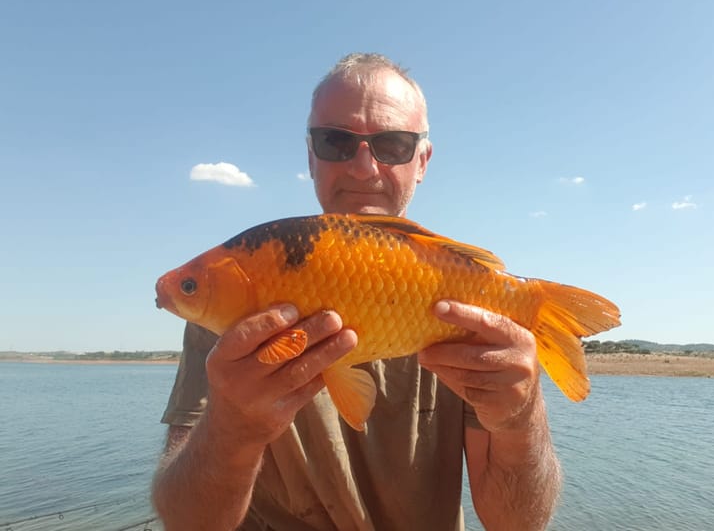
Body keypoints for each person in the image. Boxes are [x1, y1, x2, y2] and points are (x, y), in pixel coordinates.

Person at [151, 53, 562, 530]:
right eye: (335, 141)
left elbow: (518, 524)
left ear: (422, 160)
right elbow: (187, 523)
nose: (364, 169)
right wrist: (231, 429)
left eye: (393, 144)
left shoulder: (473, 314)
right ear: (311, 156)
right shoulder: (228, 323)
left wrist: (521, 421)